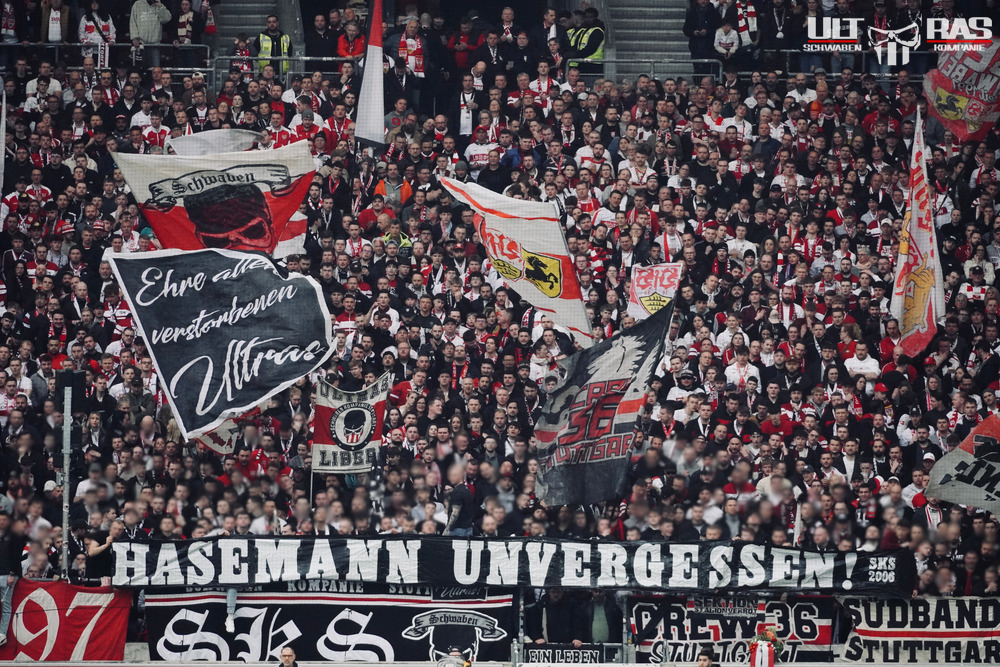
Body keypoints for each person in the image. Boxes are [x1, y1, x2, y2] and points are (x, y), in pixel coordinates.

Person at [129, 0, 171, 66]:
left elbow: (166, 19)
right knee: (140, 67)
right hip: (140, 44)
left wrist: (160, 7)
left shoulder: (159, 6)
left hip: (155, 44)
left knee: (155, 68)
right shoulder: (137, 4)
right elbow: (133, 22)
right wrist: (135, 38)